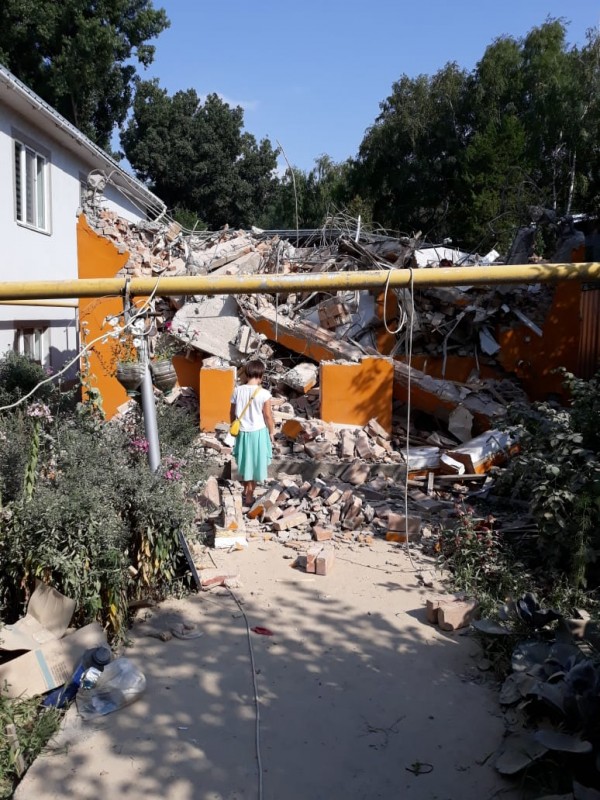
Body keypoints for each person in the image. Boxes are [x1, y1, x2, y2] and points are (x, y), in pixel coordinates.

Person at [230, 360, 275, 506]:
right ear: (261, 375)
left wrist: (233, 427)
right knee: (255, 464)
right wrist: (272, 431)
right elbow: (267, 415)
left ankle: (246, 489)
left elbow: (232, 412)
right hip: (258, 432)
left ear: (247, 373)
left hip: (242, 432)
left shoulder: (237, 390)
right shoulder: (264, 393)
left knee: (245, 462)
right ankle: (249, 496)